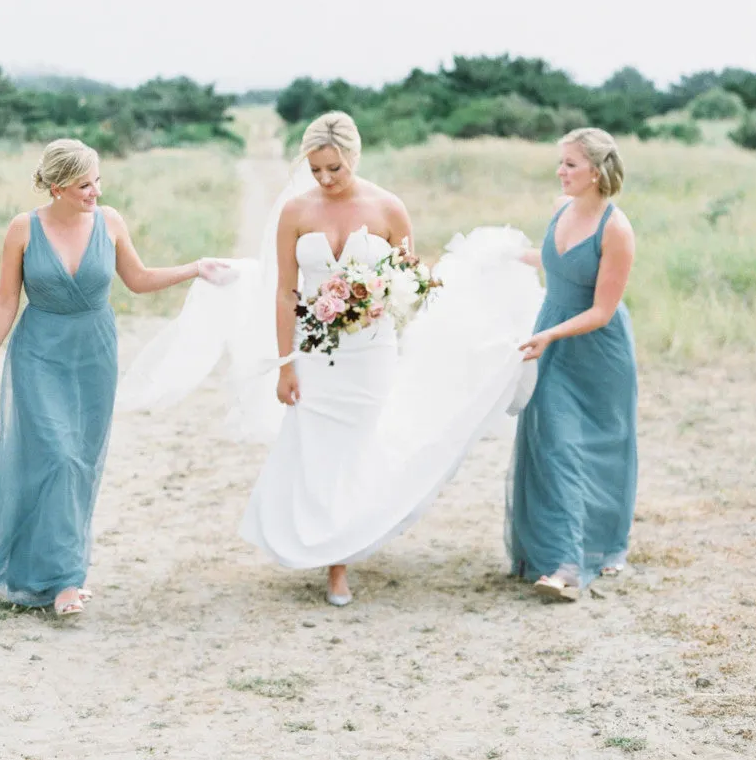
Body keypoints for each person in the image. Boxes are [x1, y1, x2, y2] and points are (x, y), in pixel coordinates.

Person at [118, 111, 542, 607]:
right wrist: (285, 364)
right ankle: (327, 550)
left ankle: (340, 559)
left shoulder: (389, 209)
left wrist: (412, 294)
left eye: (333, 169)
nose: (324, 179)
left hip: (370, 351)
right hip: (313, 349)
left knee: (358, 446)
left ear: (353, 158)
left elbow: (412, 280)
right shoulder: (296, 212)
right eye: (316, 169)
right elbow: (283, 292)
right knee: (318, 449)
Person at [0, 138, 228, 617]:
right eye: (85, 185)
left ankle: (55, 573)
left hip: (94, 355)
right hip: (38, 353)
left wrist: (195, 269)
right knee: (54, 457)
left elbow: (138, 280)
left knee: (80, 462)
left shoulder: (111, 222)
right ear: (56, 187)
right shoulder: (23, 229)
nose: (95, 191)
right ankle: (63, 582)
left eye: (98, 180)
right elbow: (4, 303)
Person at [509, 127, 637, 601]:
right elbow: (553, 263)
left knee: (597, 447)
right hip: (551, 339)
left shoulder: (616, 229)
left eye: (570, 164)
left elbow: (601, 311)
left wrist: (549, 334)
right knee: (554, 443)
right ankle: (560, 557)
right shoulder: (559, 210)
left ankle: (589, 553)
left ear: (596, 171)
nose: (560, 171)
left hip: (596, 348)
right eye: (560, 162)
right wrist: (496, 259)